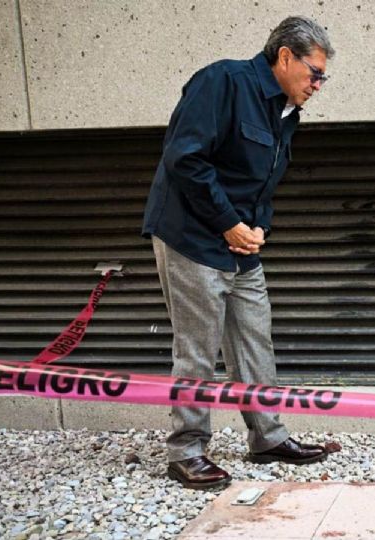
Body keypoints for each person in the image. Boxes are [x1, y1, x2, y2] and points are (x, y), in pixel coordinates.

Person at [141, 16, 334, 490]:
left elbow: (264, 184)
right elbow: (185, 158)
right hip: (191, 235)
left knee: (254, 339)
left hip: (240, 243)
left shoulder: (286, 112)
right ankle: (186, 450)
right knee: (197, 349)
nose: (319, 84)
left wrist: (258, 228)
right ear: (285, 57)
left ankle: (267, 438)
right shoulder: (222, 81)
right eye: (315, 72)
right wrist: (229, 223)